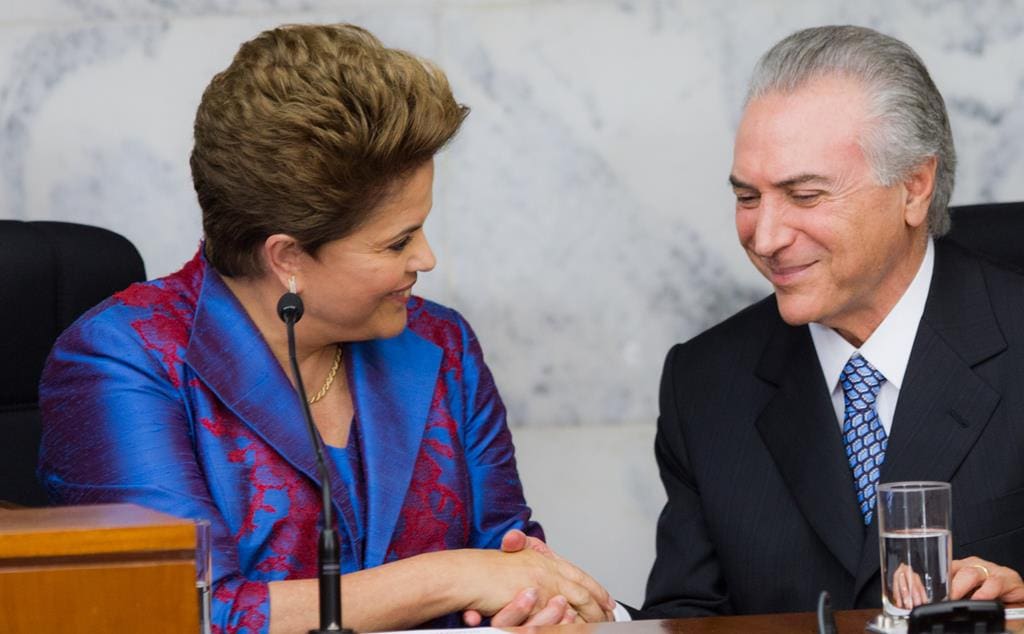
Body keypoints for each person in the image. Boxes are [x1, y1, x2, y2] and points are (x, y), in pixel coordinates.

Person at [38, 23, 614, 632]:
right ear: (286, 257)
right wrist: (447, 577)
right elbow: (180, 609)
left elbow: (510, 559)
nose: (426, 258)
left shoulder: (443, 346)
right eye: (397, 241)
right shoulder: (123, 359)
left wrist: (539, 610)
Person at [642, 25, 1024, 617]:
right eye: (748, 198)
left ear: (915, 188)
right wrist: (591, 621)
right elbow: (688, 616)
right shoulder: (704, 383)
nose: (765, 238)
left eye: (805, 194)